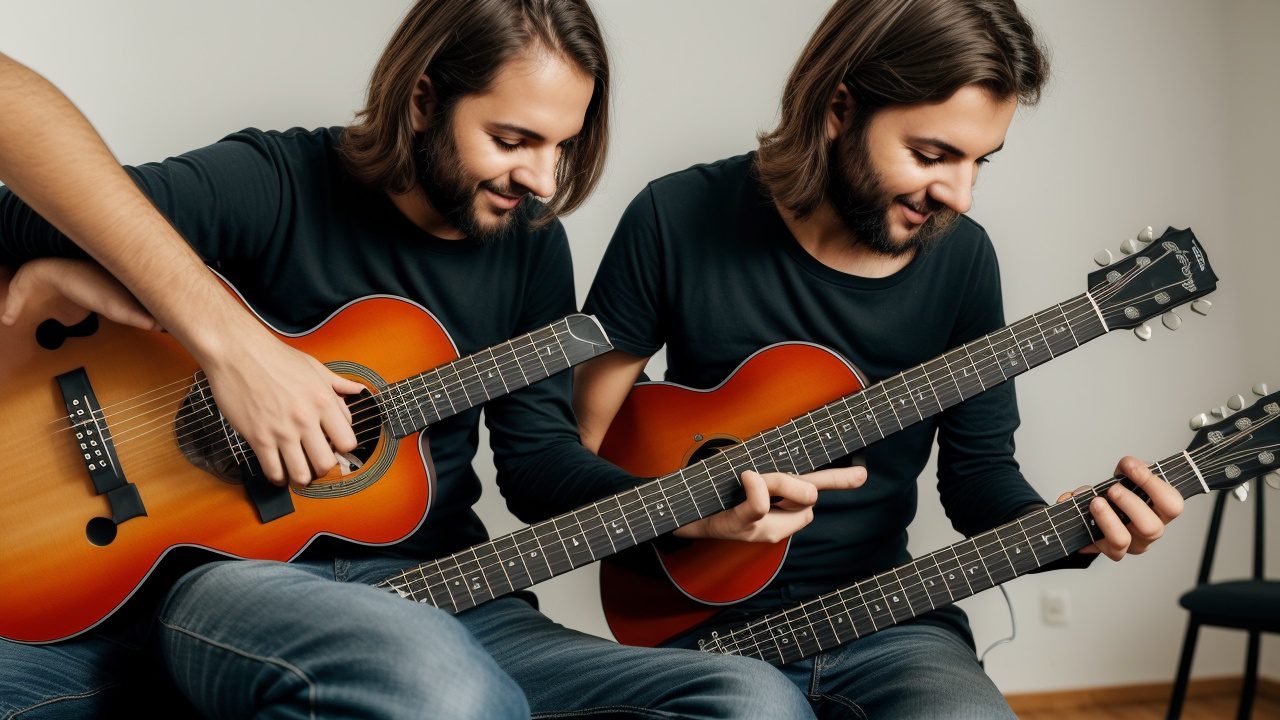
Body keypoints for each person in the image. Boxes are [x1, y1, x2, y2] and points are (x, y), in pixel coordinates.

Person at [0, 1, 864, 717]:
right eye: (514, 138)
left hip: (449, 585)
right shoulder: (278, 179)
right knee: (436, 688)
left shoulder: (532, 248)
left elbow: (535, 464)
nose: (541, 178)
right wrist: (234, 350)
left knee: (752, 701)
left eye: (561, 147)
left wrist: (686, 510)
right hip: (246, 584)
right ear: (421, 99)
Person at [573, 0, 1185, 717]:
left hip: (888, 619)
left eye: (978, 161)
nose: (958, 193)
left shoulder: (963, 260)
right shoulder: (674, 217)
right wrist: (688, 513)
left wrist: (1074, 531)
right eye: (932, 156)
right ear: (840, 108)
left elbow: (980, 479)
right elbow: (578, 441)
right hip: (693, 626)